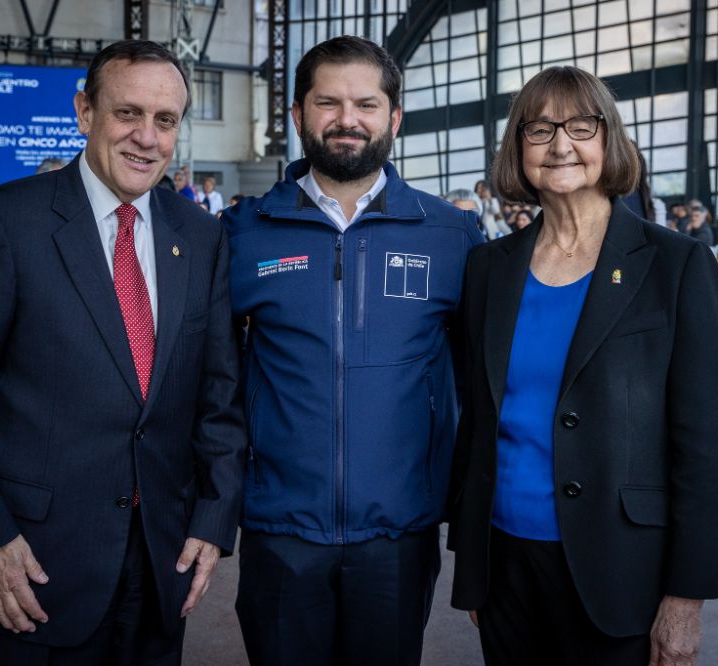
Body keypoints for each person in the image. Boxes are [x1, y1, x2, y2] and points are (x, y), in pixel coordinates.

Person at [0, 40, 246, 666]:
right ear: (84, 112)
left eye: (166, 120)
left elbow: (218, 393)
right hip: (32, 567)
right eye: (128, 114)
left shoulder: (201, 237)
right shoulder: (6, 223)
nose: (146, 138)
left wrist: (213, 518)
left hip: (159, 563)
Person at [447, 65, 718, 666]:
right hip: (506, 565)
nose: (560, 145)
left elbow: (703, 444)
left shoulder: (675, 264)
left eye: (581, 125)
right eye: (539, 128)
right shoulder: (489, 268)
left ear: (610, 140)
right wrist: (472, 566)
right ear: (516, 147)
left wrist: (687, 595)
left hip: (621, 567)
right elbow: (476, 419)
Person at [223, 35, 484, 666]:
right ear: (297, 115)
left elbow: (480, 386)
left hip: (398, 533)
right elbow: (213, 379)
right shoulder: (243, 233)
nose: (347, 120)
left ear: (394, 117)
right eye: (328, 102)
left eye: (366, 104)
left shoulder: (452, 236)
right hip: (280, 529)